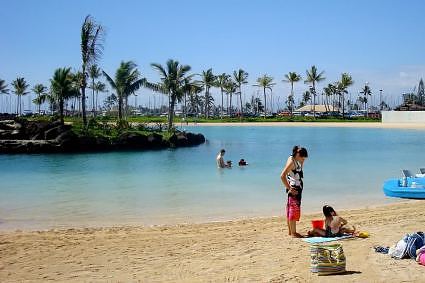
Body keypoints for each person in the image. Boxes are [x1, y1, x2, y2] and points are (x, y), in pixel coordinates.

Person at [280, 145, 308, 238]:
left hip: (296, 188)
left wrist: (302, 162)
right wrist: (290, 188)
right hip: (294, 190)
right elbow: (282, 176)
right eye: (302, 157)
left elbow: (297, 172)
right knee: (293, 210)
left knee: (290, 209)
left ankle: (290, 232)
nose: (303, 159)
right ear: (297, 154)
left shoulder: (294, 159)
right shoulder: (292, 162)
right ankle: (293, 233)